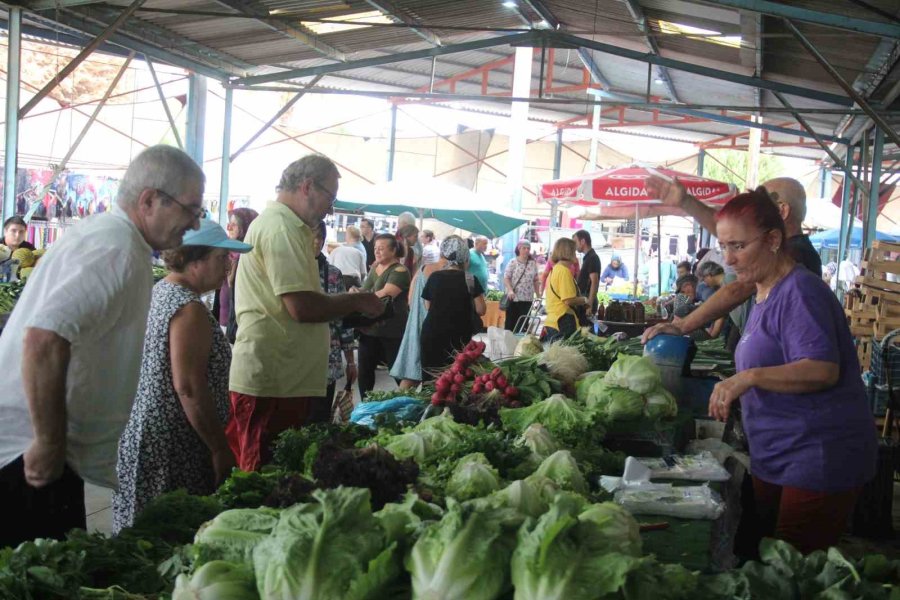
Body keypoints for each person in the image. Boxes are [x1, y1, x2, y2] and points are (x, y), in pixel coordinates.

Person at [0, 145, 205, 548]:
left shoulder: (111, 239)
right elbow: (43, 339)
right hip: (26, 455)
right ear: (149, 200)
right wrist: (47, 441)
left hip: (42, 450)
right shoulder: (116, 248)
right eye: (190, 210)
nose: (194, 224)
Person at [700, 188, 875, 553]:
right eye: (724, 246)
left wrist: (748, 378)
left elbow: (822, 370)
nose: (729, 259)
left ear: (774, 239)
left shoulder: (800, 292)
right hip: (777, 452)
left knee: (791, 571)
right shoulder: (765, 290)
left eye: (739, 246)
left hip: (816, 455)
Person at [227, 154, 383, 472]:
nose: (331, 207)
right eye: (331, 197)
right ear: (308, 187)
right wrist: (356, 301)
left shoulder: (291, 227)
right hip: (272, 381)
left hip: (285, 380)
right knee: (262, 479)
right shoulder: (280, 228)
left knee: (278, 473)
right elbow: (302, 307)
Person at [113, 219, 250, 531]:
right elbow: (188, 387)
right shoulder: (188, 309)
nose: (228, 265)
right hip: (174, 442)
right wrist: (219, 448)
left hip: (147, 430)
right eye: (221, 257)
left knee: (142, 529)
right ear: (195, 259)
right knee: (168, 533)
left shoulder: (159, 292)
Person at [643, 175, 821, 343]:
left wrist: (682, 325)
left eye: (758, 206)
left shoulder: (793, 254)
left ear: (782, 210)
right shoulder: (784, 247)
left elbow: (737, 289)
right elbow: (730, 230)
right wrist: (685, 201)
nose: (729, 260)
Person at [420, 237, 486, 375]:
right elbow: (481, 309)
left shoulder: (434, 277)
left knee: (432, 381)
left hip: (432, 335)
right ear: (465, 257)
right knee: (454, 382)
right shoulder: (470, 279)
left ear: (443, 254)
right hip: (459, 338)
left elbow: (427, 306)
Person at [356, 233, 410, 395]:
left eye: (381, 248)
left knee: (396, 370)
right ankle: (364, 405)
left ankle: (408, 400)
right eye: (375, 248)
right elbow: (366, 289)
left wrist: (358, 298)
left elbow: (387, 293)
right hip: (369, 327)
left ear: (393, 251)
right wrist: (356, 293)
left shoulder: (400, 270)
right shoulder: (375, 267)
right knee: (365, 369)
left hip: (391, 329)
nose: (377, 252)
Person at [391, 243, 449, 389]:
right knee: (430, 377)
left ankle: (397, 407)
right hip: (430, 326)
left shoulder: (423, 269)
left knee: (411, 373)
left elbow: (410, 299)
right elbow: (431, 305)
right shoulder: (444, 272)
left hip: (415, 323)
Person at [313, 221, 356, 406]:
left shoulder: (332, 273)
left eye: (319, 237)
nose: (315, 242)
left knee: (321, 418)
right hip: (294, 361)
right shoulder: (290, 272)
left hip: (327, 361)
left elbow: (342, 319)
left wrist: (351, 362)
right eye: (310, 237)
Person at [214, 207, 258, 342]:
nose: (229, 228)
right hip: (224, 316)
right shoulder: (228, 251)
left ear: (245, 228)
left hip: (237, 321)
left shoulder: (247, 255)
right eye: (229, 225)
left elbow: (235, 284)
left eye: (233, 225)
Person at [544, 238, 588, 342]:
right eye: (574, 251)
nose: (576, 255)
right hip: (562, 320)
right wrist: (585, 300)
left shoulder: (555, 270)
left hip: (553, 320)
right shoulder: (564, 271)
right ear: (568, 252)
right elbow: (568, 300)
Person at [503, 239, 540, 332]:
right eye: (524, 248)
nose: (527, 250)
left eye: (528, 248)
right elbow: (506, 277)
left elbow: (535, 280)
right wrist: (510, 290)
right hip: (514, 298)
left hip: (527, 299)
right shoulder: (513, 262)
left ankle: (520, 343)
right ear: (519, 249)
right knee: (510, 323)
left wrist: (538, 294)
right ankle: (508, 344)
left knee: (523, 323)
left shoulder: (532, 263)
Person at [573, 230, 601, 314]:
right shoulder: (588, 257)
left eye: (575, 242)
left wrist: (589, 304)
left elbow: (594, 282)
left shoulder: (592, 258)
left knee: (586, 326)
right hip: (585, 299)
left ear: (582, 241)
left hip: (587, 300)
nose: (574, 246)